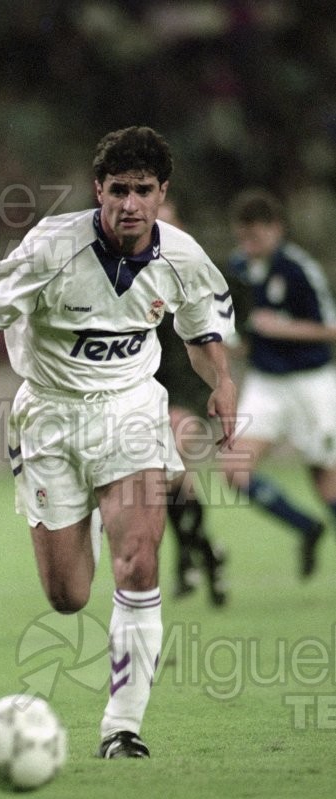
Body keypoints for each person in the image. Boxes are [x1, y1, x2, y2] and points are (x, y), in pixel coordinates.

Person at [0, 126, 237, 759]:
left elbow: (202, 333)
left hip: (132, 410)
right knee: (68, 597)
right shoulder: (51, 247)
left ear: (162, 193)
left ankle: (122, 729)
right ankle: (92, 532)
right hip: (50, 417)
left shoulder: (184, 258)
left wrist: (221, 382)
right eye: (118, 190)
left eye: (143, 190)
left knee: (138, 557)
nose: (130, 203)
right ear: (97, 191)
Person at [223, 189, 336, 577]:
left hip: (310, 384)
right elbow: (245, 327)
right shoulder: (239, 268)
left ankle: (316, 522)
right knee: (236, 471)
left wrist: (282, 328)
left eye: (255, 237)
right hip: (265, 384)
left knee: (326, 483)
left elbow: (331, 329)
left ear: (277, 230)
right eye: (243, 238)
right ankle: (306, 526)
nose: (248, 246)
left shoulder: (298, 268)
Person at [156, 200, 229, 604]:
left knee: (172, 457)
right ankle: (203, 553)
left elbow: (215, 333)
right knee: (168, 480)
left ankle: (192, 555)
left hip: (187, 387)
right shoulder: (131, 270)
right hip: (148, 386)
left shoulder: (196, 275)